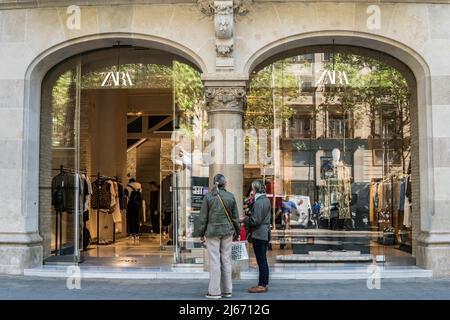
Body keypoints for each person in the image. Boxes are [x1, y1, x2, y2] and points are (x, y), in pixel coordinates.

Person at [196, 174, 240, 299]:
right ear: (225, 183)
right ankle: (227, 290)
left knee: (215, 261)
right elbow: (235, 218)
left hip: (212, 232)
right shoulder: (230, 196)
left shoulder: (208, 197)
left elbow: (203, 218)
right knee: (226, 260)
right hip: (227, 232)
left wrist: (201, 233)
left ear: (214, 183)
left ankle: (214, 292)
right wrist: (237, 232)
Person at [241, 180, 271, 293]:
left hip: (259, 234)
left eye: (252, 189)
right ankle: (263, 283)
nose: (251, 191)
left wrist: (245, 219)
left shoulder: (260, 202)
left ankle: (262, 285)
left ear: (256, 189)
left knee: (261, 260)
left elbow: (255, 220)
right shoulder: (265, 200)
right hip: (264, 233)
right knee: (263, 260)